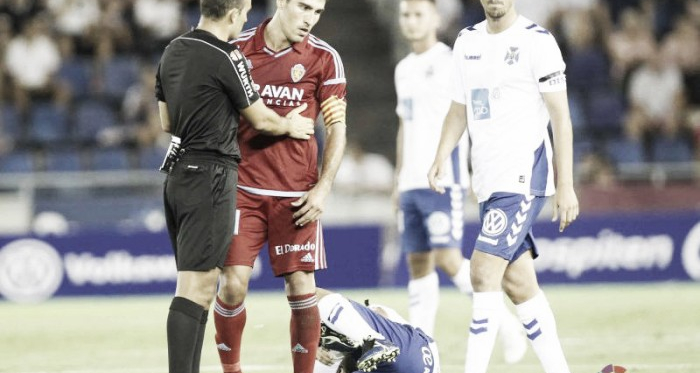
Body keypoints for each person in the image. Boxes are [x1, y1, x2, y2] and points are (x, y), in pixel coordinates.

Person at [155, 0, 315, 372]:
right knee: (196, 289)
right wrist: (290, 125)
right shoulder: (228, 54)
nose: (245, 19)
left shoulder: (173, 49)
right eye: (244, 14)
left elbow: (167, 120)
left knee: (197, 286)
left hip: (178, 175)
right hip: (211, 176)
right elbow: (260, 118)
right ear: (233, 13)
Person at [427, 1, 579, 372]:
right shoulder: (466, 42)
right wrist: (440, 156)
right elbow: (459, 109)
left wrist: (567, 184)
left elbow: (561, 117)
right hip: (489, 181)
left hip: (524, 175)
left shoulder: (537, 41)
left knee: (481, 271)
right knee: (518, 282)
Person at [212, 1, 348, 373]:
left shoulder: (325, 58)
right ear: (281, 2)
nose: (310, 18)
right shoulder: (236, 48)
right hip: (243, 189)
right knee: (233, 285)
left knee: (302, 287)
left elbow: (337, 127)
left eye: (317, 12)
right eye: (304, 7)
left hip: (297, 195)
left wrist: (323, 188)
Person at [393, 0, 525, 364]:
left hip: (442, 179)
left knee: (450, 259)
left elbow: (466, 115)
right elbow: (405, 124)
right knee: (418, 264)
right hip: (409, 183)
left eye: (419, 14)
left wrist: (467, 172)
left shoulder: (451, 60)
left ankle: (509, 328)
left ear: (435, 18)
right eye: (406, 15)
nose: (411, 21)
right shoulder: (403, 69)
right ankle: (424, 350)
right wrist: (397, 178)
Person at [313, 287, 436, 373]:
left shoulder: (371, 315)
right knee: (327, 304)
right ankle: (373, 341)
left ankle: (374, 341)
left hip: (413, 354)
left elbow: (318, 295)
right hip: (427, 357)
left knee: (326, 304)